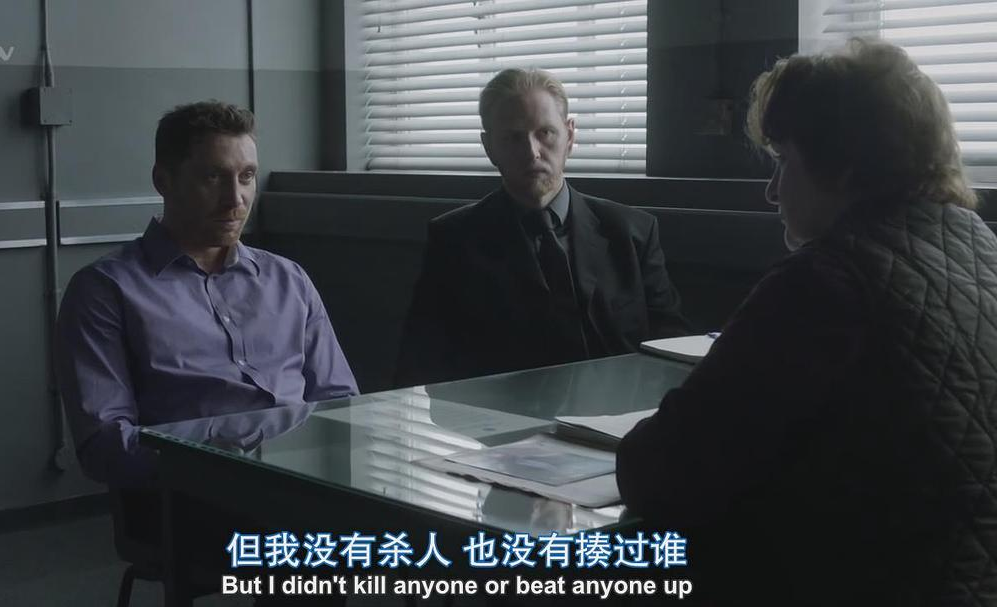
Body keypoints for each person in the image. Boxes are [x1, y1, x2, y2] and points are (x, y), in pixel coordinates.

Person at [616, 40, 996, 606]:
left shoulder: (826, 282)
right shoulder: (982, 251)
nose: (771, 191)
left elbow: (662, 474)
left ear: (844, 165)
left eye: (782, 160)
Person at [56, 101, 358, 487]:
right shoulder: (104, 290)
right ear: (163, 181)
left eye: (247, 176)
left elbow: (342, 403)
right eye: (213, 177)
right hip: (198, 491)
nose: (235, 199)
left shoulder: (289, 279)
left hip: (311, 483)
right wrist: (232, 450)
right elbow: (105, 447)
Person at [395, 68, 688, 387]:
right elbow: (420, 365)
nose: (531, 152)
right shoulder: (454, 241)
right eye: (513, 138)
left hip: (624, 412)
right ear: (489, 147)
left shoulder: (633, 232)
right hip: (498, 415)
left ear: (570, 136)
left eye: (545, 133)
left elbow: (673, 352)